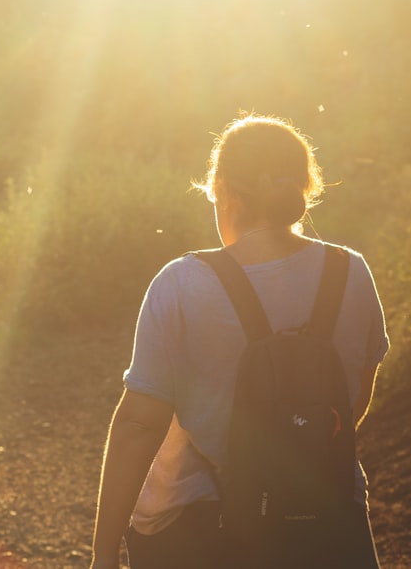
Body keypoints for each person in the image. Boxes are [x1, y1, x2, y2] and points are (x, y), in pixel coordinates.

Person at [91, 114, 388, 568]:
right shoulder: (352, 273)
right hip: (328, 518)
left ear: (223, 188)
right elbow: (353, 401)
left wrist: (104, 550)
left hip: (196, 529)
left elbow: (138, 426)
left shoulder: (182, 283)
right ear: (305, 189)